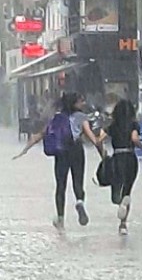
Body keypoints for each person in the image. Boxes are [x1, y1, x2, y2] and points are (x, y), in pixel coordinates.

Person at [13, 93, 99, 230]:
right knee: (78, 181)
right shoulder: (81, 117)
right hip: (77, 150)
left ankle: (60, 219)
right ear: (75, 103)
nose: (83, 103)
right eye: (81, 101)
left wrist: (24, 150)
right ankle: (80, 202)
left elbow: (39, 135)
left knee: (61, 185)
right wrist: (101, 150)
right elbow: (91, 136)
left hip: (61, 152)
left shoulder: (56, 118)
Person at [96, 100, 142, 235]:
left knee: (116, 189)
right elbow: (135, 139)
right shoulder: (134, 124)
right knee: (127, 190)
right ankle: (123, 224)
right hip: (130, 158)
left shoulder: (112, 125)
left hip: (117, 158)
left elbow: (99, 140)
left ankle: (119, 202)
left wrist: (103, 154)